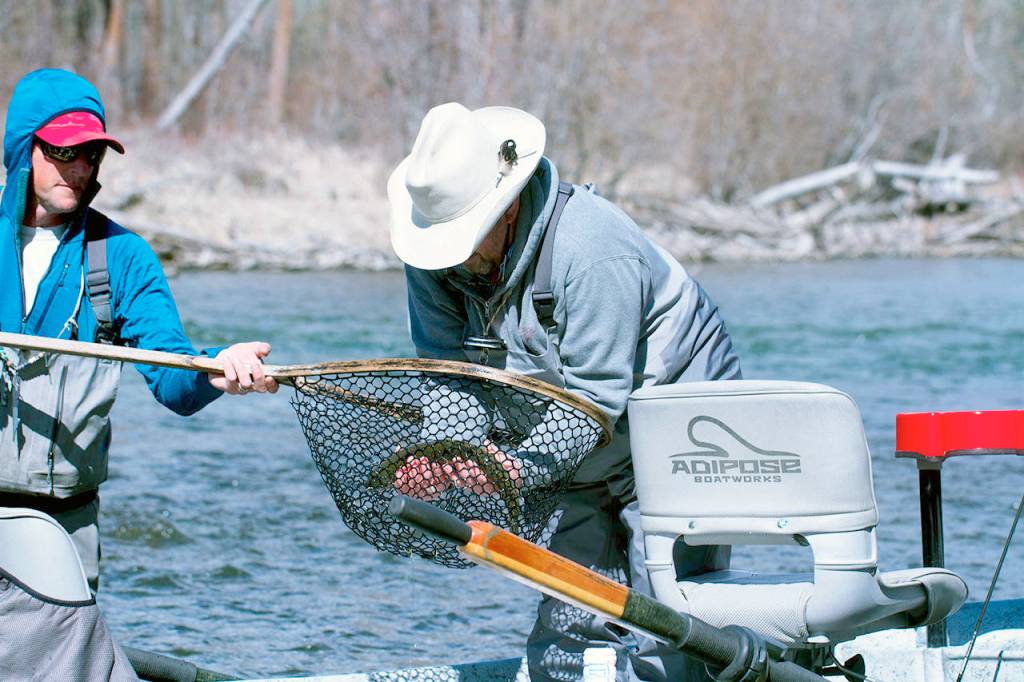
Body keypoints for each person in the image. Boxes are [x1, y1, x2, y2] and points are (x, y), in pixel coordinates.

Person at [386, 102, 741, 681]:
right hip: (564, 436)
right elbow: (452, 373)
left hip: (677, 425)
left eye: (466, 239)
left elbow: (596, 396)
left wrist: (514, 469)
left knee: (671, 621)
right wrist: (449, 454)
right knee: (565, 628)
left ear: (506, 209)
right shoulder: (432, 259)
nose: (456, 258)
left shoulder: (593, 247)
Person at [0, 67, 279, 593]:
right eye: (63, 151)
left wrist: (219, 368)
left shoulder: (124, 258)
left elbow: (174, 382)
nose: (79, 168)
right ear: (23, 150)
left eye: (91, 154)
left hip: (65, 525)